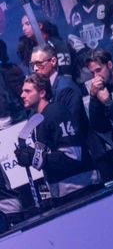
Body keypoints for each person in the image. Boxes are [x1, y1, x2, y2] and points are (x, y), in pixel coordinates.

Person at [13, 73, 100, 204]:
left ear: (42, 93)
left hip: (83, 190)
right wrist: (28, 157)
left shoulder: (57, 112)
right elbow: (45, 155)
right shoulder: (35, 119)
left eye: (27, 91)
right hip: (62, 195)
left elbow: (73, 156)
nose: (22, 95)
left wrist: (36, 157)